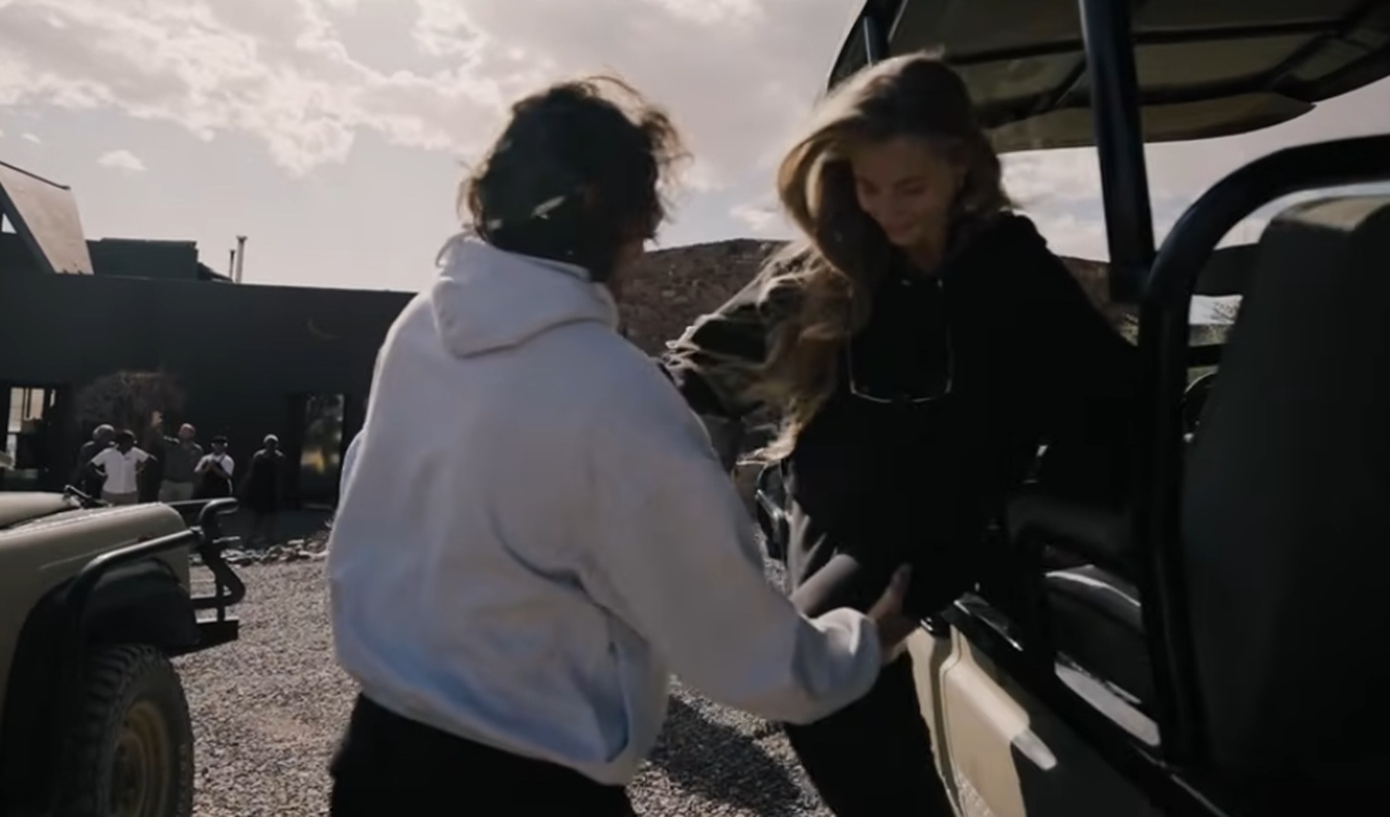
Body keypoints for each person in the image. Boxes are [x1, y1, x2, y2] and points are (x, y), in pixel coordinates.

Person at [325, 75, 915, 817]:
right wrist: (863, 643)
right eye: (645, 223)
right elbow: (737, 646)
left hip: (372, 766)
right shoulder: (616, 398)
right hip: (521, 792)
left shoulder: (418, 328)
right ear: (617, 215)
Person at [660, 51, 1136, 816]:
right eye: (867, 185)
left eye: (910, 187)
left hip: (934, 519)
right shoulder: (836, 259)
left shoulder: (1008, 266)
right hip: (824, 504)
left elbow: (1114, 399)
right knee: (836, 693)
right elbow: (701, 362)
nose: (887, 208)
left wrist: (1034, 506)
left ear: (961, 167)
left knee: (814, 683)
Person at [240, 434, 284, 546]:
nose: (271, 446)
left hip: (272, 489)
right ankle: (251, 537)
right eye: (269, 444)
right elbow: (251, 471)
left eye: (273, 444)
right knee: (256, 515)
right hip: (259, 488)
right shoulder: (258, 456)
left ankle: (269, 537)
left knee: (271, 516)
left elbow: (281, 475)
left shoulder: (279, 457)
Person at [89, 429, 151, 506]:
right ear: (122, 443)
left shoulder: (135, 452)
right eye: (130, 443)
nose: (132, 445)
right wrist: (100, 476)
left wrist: (140, 472)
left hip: (130, 493)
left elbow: (150, 461)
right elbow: (90, 466)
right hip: (110, 492)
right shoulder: (107, 453)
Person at [155, 421, 204, 502]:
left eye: (185, 431)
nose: (182, 433)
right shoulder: (171, 444)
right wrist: (157, 425)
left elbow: (199, 468)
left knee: (183, 507)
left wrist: (195, 483)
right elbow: (158, 438)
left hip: (186, 484)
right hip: (169, 482)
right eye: (181, 431)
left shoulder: (197, 450)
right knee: (164, 506)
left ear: (192, 434)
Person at [72, 424, 114, 497]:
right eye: (106, 435)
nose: (109, 438)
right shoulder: (89, 448)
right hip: (92, 480)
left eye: (110, 435)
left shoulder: (113, 447)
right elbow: (84, 465)